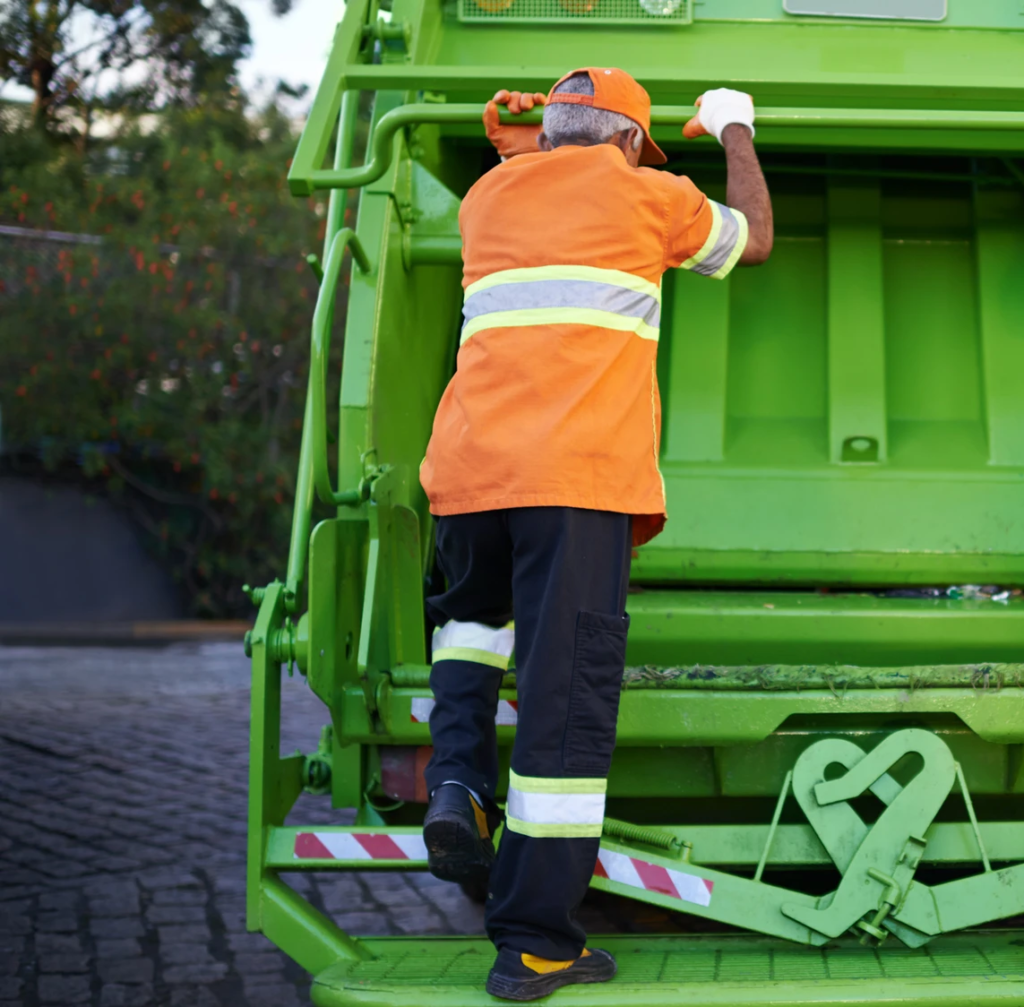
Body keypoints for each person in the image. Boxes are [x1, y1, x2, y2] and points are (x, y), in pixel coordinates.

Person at [417, 67, 773, 1001]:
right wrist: (733, 129)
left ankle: (455, 782)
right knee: (563, 706)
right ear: (624, 144)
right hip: (571, 486)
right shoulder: (648, 195)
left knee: (471, 628)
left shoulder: (490, 196)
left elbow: (548, 167)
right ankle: (535, 941)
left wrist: (516, 134)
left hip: (466, 474)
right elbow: (756, 239)